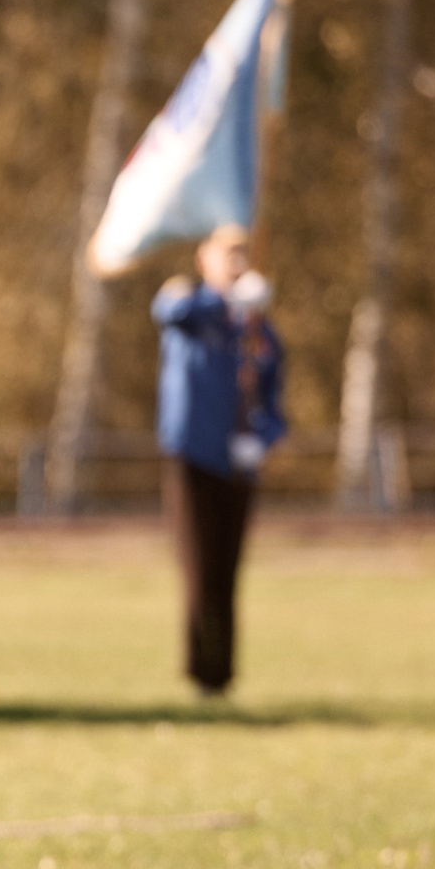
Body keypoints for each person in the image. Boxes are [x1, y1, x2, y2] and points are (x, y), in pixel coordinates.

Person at [152, 224, 284, 698]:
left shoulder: (256, 330)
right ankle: (198, 672)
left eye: (243, 253)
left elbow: (273, 401)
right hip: (193, 455)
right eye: (226, 253)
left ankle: (222, 677)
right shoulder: (192, 305)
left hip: (238, 463)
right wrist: (226, 301)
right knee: (198, 569)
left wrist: (262, 437)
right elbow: (168, 312)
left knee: (228, 573)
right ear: (204, 258)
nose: (236, 262)